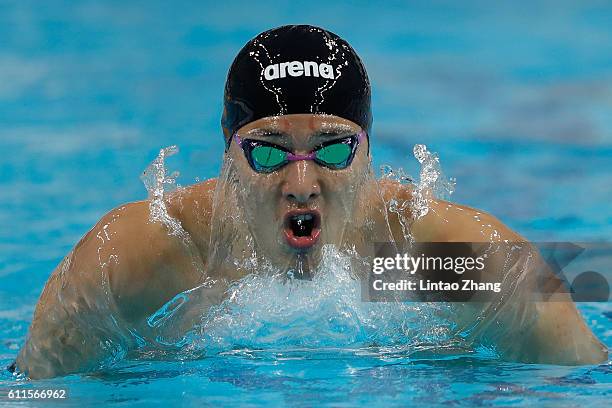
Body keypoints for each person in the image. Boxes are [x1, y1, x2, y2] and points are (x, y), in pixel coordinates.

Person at [14, 25, 607, 379]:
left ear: (369, 153)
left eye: (332, 151)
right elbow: (32, 390)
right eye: (269, 154)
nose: (301, 183)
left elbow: (584, 375)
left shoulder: (411, 256)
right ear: (228, 155)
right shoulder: (149, 256)